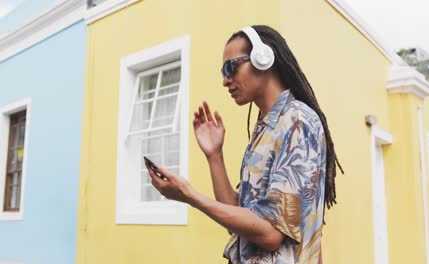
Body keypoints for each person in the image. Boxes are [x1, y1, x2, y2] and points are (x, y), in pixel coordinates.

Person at [145, 25, 343, 264]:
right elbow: (242, 222)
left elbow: (270, 233)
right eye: (222, 71)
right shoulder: (267, 127)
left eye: (231, 67)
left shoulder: (297, 121)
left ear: (263, 58)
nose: (225, 81)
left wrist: (189, 195)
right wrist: (214, 155)